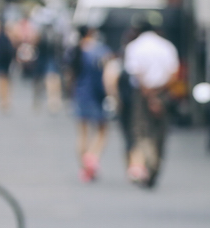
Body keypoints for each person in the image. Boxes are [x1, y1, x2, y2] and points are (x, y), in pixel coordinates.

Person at [122, 20, 179, 186]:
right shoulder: (167, 46)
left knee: (141, 131)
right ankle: (155, 168)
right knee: (160, 132)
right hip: (164, 93)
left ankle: (150, 162)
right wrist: (158, 92)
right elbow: (174, 73)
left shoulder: (134, 47)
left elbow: (136, 73)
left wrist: (148, 93)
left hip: (142, 95)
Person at [71, 25, 112, 181]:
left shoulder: (75, 50)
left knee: (82, 133)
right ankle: (91, 157)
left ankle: (84, 168)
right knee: (102, 131)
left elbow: (71, 75)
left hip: (80, 94)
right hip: (97, 95)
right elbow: (108, 74)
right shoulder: (100, 50)